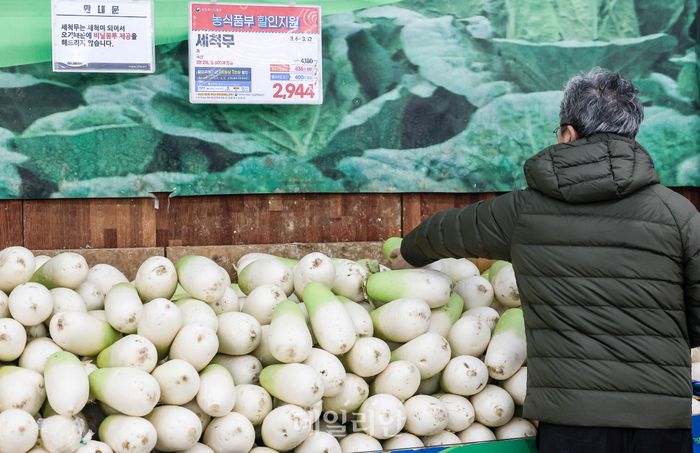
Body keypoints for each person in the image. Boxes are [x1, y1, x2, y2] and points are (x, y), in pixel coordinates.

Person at [394, 68, 699, 453]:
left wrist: (405, 253)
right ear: (633, 134)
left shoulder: (523, 213)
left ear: (568, 134)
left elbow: (445, 230)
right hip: (661, 421)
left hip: (573, 421)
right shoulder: (678, 214)